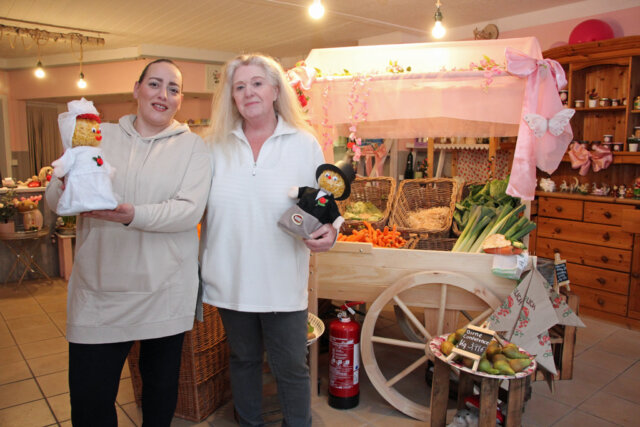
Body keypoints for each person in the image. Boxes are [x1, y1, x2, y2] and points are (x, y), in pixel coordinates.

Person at [45, 59, 212, 427]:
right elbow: (57, 204)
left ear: (180, 99)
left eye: (173, 88)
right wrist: (64, 177)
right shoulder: (98, 136)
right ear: (136, 89)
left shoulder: (194, 149)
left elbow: (187, 212)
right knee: (90, 402)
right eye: (154, 84)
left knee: (159, 398)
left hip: (164, 293)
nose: (163, 94)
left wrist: (130, 214)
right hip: (99, 294)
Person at [200, 53, 337, 426]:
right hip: (230, 279)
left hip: (281, 280)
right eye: (239, 87)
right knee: (243, 361)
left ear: (276, 90)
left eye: (257, 83)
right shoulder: (213, 146)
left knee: (291, 368)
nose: (249, 93)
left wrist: (331, 232)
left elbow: (325, 204)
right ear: (231, 96)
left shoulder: (303, 144)